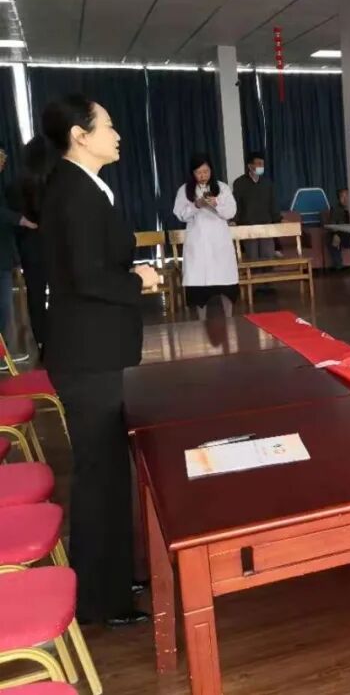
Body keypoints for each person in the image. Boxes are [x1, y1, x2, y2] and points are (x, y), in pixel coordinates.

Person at [39, 94, 160, 626]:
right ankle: (97, 600)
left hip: (96, 349)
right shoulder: (72, 192)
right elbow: (85, 277)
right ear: (80, 135)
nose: (117, 134)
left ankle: (113, 577)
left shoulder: (85, 186)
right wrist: (138, 280)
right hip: (86, 355)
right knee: (98, 474)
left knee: (109, 470)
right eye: (108, 126)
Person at [173, 155, 239, 319]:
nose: (203, 175)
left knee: (226, 283)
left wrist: (216, 204)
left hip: (219, 242)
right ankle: (201, 320)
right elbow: (180, 214)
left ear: (211, 171)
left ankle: (229, 318)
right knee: (199, 286)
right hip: (198, 241)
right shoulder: (185, 190)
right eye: (199, 172)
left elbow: (231, 212)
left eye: (206, 171)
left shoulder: (222, 188)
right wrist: (196, 205)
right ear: (193, 173)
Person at [7, 137, 49, 359]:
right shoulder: (52, 181)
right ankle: (64, 339)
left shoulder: (16, 183)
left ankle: (42, 343)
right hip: (53, 243)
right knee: (63, 292)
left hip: (29, 246)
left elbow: (13, 220)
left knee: (36, 296)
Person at [0, 148, 38, 353]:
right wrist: (22, 220)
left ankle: (4, 354)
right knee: (3, 308)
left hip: (5, 255)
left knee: (5, 308)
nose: (4, 161)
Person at [232, 152, 280, 261]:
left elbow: (273, 204)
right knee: (252, 258)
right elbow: (236, 204)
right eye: (258, 164)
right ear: (250, 166)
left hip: (266, 226)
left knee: (268, 256)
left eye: (262, 164)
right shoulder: (239, 183)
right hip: (248, 226)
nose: (261, 167)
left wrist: (278, 219)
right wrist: (234, 220)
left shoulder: (267, 183)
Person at [327, 187, 350, 270]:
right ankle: (339, 266)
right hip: (343, 235)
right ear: (339, 199)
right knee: (331, 239)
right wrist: (335, 234)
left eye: (347, 195)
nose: (345, 199)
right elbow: (332, 224)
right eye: (342, 196)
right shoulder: (336, 210)